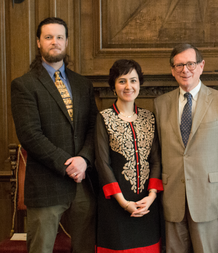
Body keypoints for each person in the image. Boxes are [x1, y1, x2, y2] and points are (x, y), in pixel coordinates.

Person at [11, 17, 98, 253]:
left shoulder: (83, 85)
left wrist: (84, 160)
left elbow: (93, 128)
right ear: (38, 42)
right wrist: (67, 164)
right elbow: (29, 134)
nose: (54, 42)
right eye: (48, 37)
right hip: (46, 184)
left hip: (83, 184)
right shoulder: (24, 85)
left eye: (59, 37)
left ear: (66, 42)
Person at [154, 43, 218, 253]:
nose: (185, 70)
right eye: (179, 65)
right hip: (172, 197)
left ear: (201, 66)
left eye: (190, 64)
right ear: (172, 70)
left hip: (210, 198)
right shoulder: (160, 104)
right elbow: (156, 153)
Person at [94, 59, 163, 252]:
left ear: (139, 84)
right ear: (113, 86)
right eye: (122, 81)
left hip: (147, 204)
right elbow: (102, 163)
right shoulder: (104, 118)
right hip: (115, 205)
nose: (128, 86)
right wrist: (123, 203)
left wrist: (151, 195)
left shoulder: (149, 117)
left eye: (133, 80)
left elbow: (156, 160)